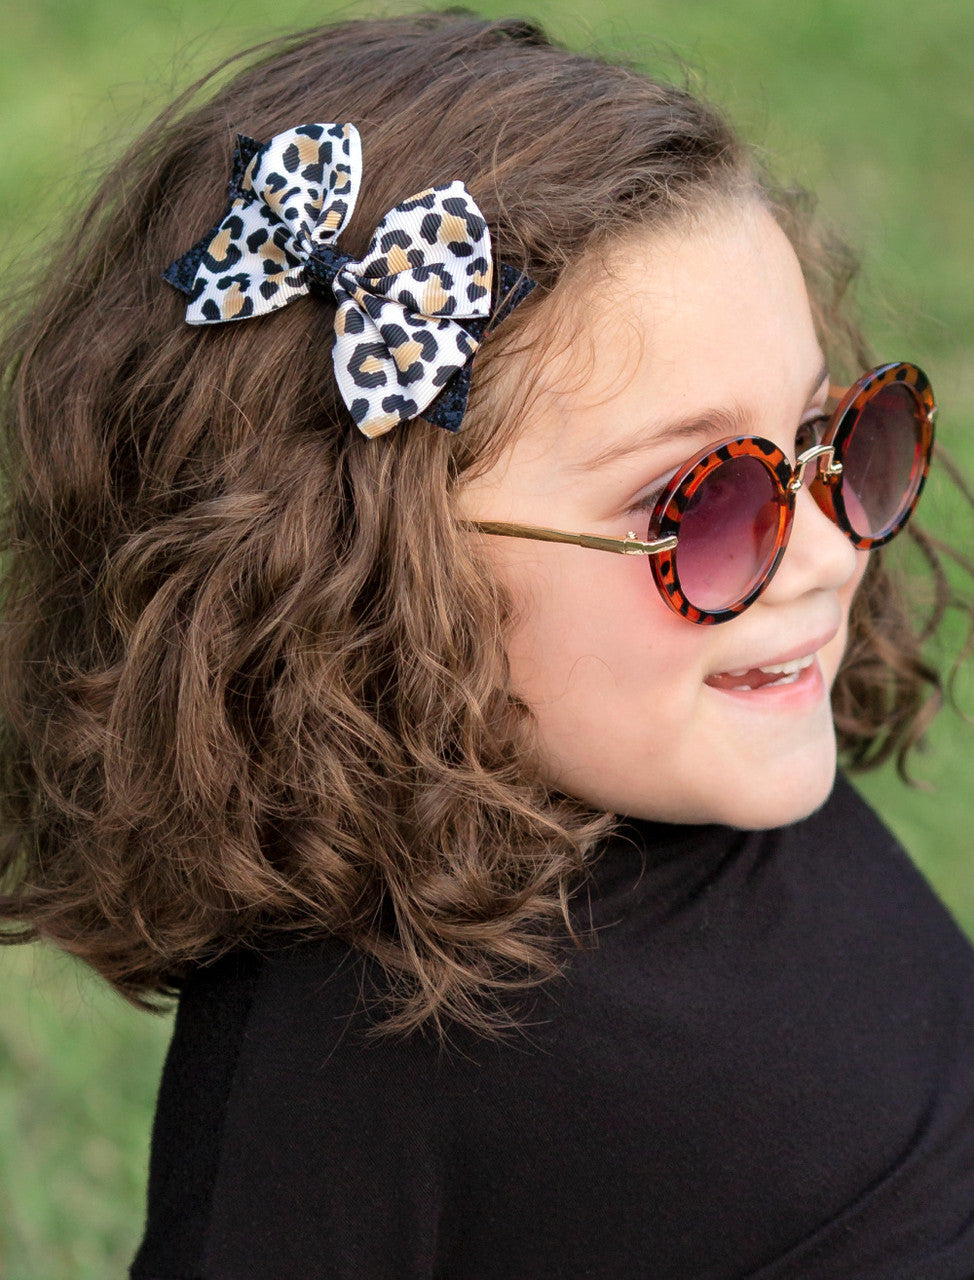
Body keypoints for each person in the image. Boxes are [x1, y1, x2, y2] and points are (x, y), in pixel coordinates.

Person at [1, 11, 972, 1278]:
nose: (832, 554)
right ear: (363, 566)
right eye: (702, 501)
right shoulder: (357, 1054)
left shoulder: (711, 771)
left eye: (831, 438)